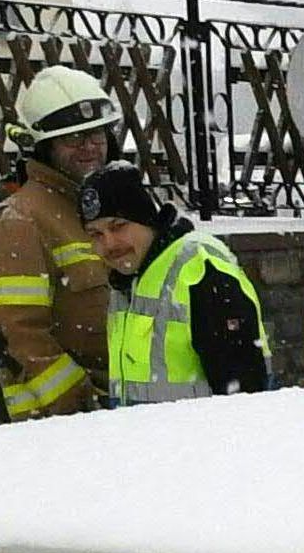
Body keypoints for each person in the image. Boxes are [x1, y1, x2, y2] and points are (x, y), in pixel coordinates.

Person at [0, 67, 123, 422]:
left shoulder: (98, 207)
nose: (88, 146)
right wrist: (79, 402)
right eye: (72, 138)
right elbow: (18, 333)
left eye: (95, 133)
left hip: (116, 409)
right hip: (57, 426)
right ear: (44, 146)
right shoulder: (20, 220)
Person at [85, 161, 272, 403]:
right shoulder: (127, 279)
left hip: (197, 438)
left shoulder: (199, 269)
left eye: (118, 226)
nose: (108, 243)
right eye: (95, 234)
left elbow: (242, 398)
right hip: (151, 438)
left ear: (146, 219)